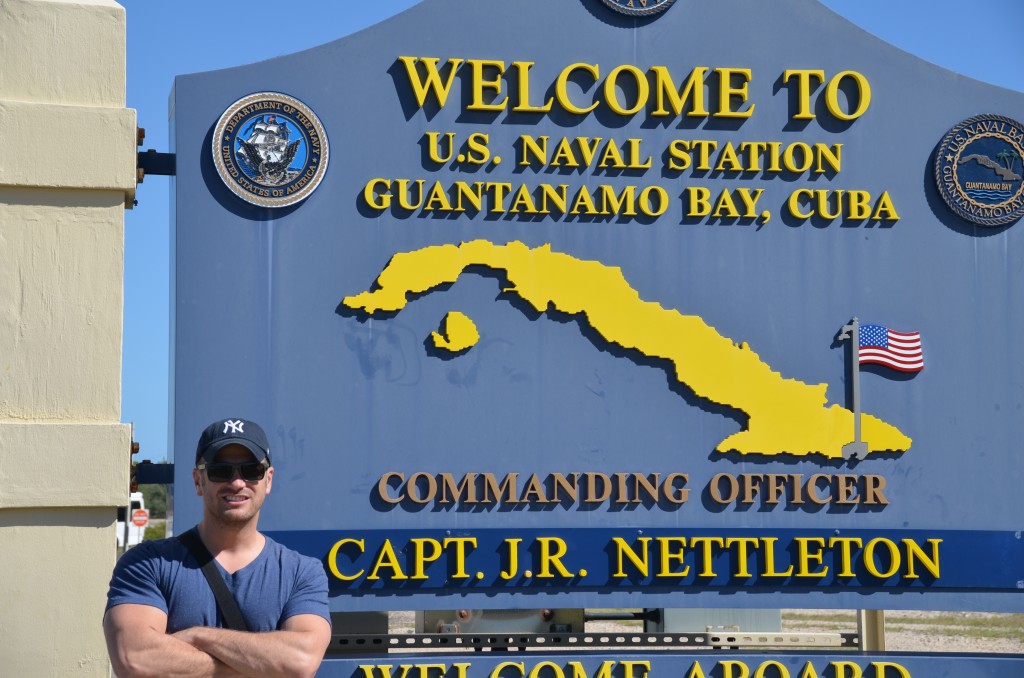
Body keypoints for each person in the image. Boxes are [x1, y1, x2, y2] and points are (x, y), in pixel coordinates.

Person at [103, 418, 331, 677]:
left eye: (251, 470)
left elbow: (300, 662)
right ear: (198, 481)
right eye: (220, 470)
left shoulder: (301, 572)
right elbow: (136, 659)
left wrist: (198, 636)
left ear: (268, 480)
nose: (236, 482)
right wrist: (258, 666)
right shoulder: (147, 564)